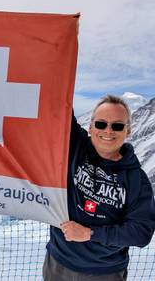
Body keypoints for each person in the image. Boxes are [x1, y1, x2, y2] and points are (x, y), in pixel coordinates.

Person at [44, 95, 155, 281]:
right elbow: (56, 103)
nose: (108, 131)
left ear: (128, 131)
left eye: (117, 126)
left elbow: (140, 233)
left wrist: (89, 234)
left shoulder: (137, 180)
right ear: (91, 126)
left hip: (105, 273)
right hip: (58, 263)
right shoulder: (76, 146)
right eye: (101, 124)